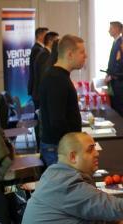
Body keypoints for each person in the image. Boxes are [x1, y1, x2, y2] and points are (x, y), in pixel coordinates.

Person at [39, 34, 87, 166]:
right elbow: (57, 121)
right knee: (64, 186)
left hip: (59, 145)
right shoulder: (56, 79)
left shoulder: (59, 76)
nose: (86, 56)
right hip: (58, 148)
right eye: (82, 52)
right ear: (70, 54)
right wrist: (75, 145)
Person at [32, 31, 59, 109]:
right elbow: (44, 76)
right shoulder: (44, 54)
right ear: (50, 42)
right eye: (57, 41)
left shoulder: (46, 53)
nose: (58, 44)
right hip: (41, 95)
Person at [106, 21, 123, 114]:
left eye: (111, 28)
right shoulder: (116, 42)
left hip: (117, 79)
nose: (109, 31)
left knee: (117, 106)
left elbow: (119, 63)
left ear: (117, 29)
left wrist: (111, 75)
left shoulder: (120, 43)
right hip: (113, 77)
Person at [28, 27, 48, 104]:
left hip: (37, 89)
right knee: (38, 113)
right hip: (38, 89)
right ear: (40, 36)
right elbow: (39, 72)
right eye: (46, 35)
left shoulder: (39, 48)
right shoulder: (37, 49)